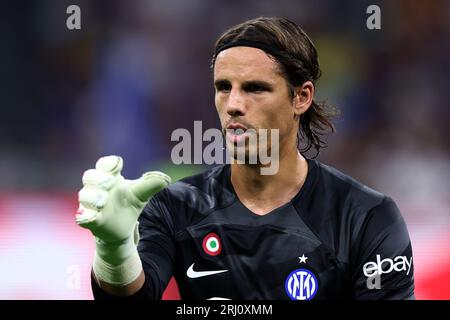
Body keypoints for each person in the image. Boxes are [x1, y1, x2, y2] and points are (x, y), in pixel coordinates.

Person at [76, 17, 415, 300]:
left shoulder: (366, 217)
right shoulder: (175, 207)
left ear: (301, 97)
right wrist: (114, 250)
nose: (233, 104)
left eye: (254, 88)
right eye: (224, 87)